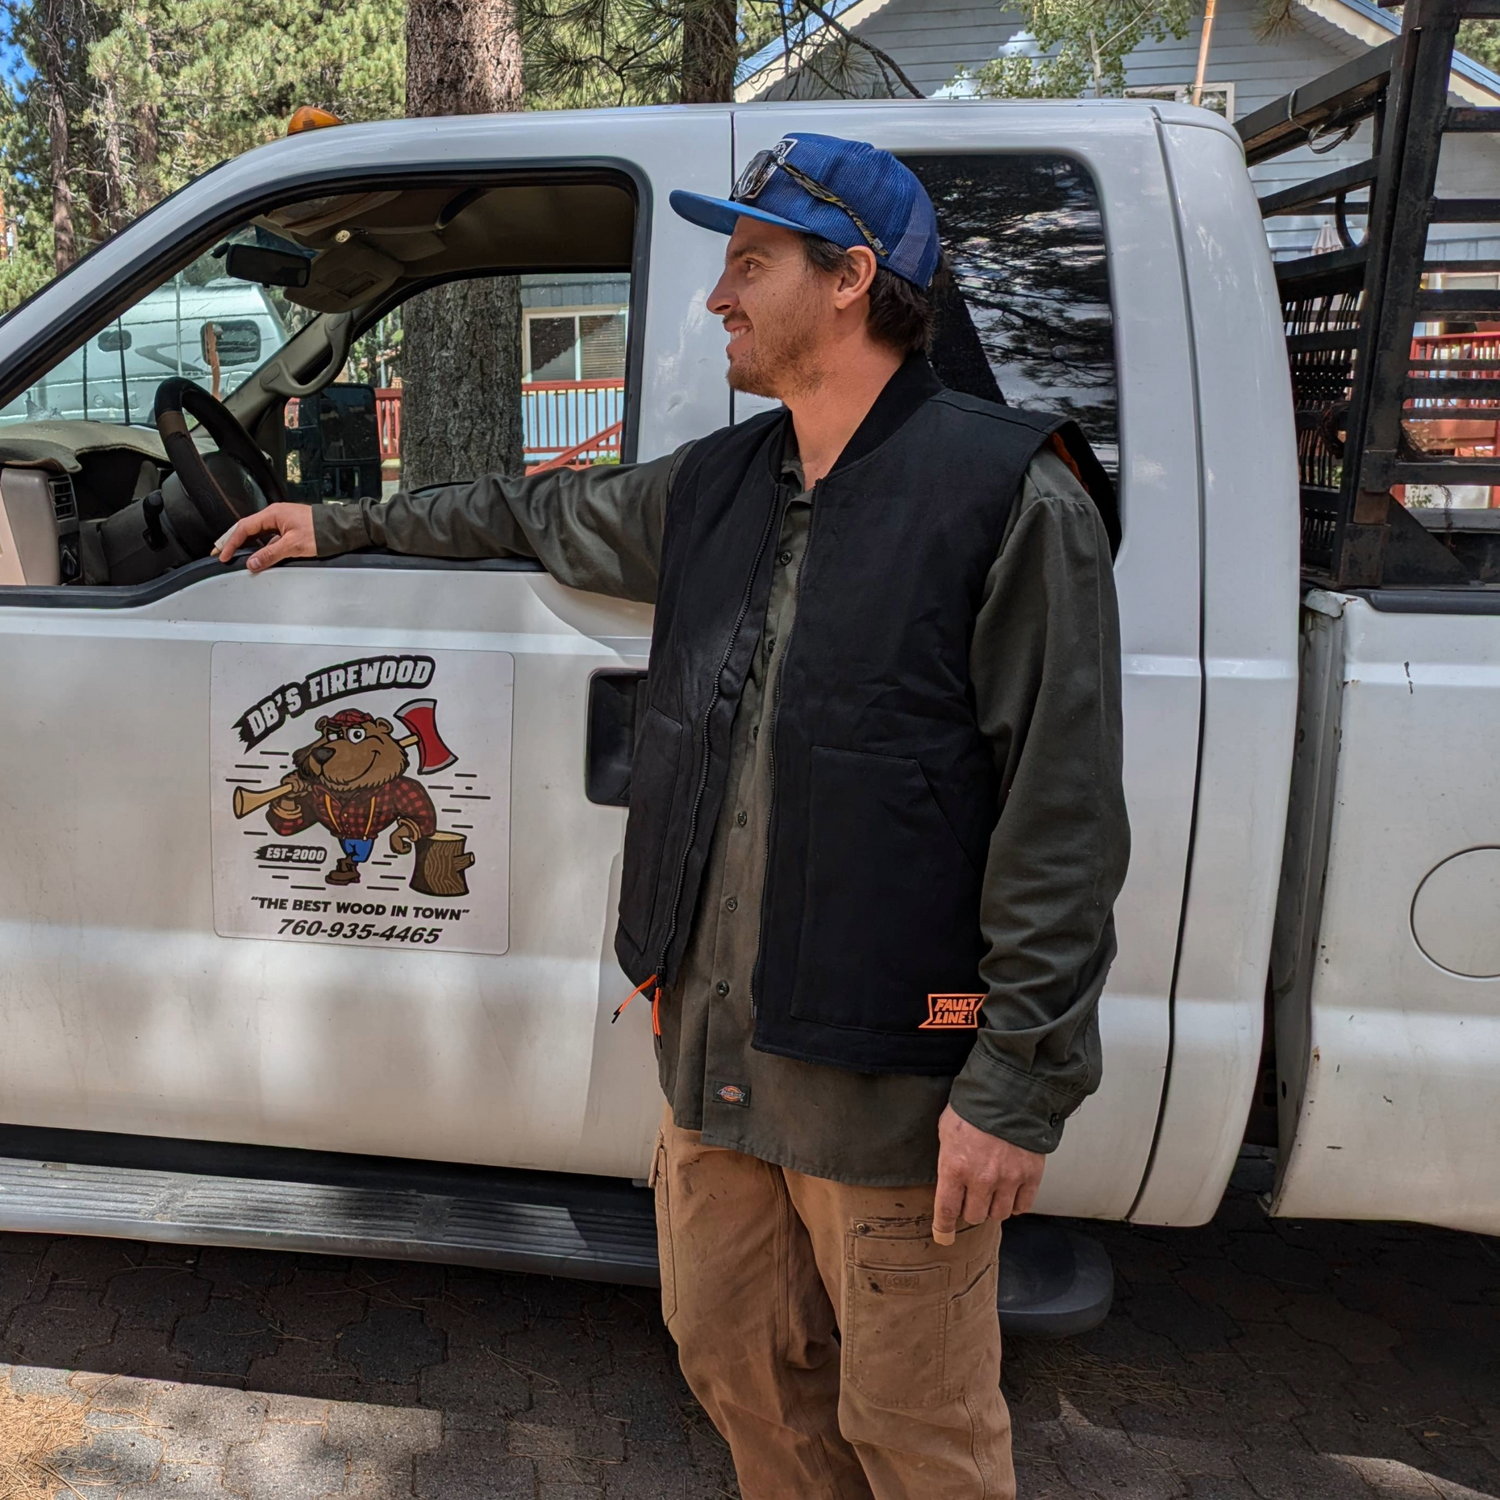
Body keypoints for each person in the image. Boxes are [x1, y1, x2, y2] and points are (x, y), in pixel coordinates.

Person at [216, 132, 1130, 1500]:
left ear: (850, 281)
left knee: (918, 1430)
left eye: (749, 264)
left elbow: (1059, 825)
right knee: (732, 1363)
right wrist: (343, 527)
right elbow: (539, 511)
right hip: (715, 1066)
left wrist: (1015, 1093)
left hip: (882, 1088)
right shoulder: (720, 486)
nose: (718, 296)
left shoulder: (1007, 500)